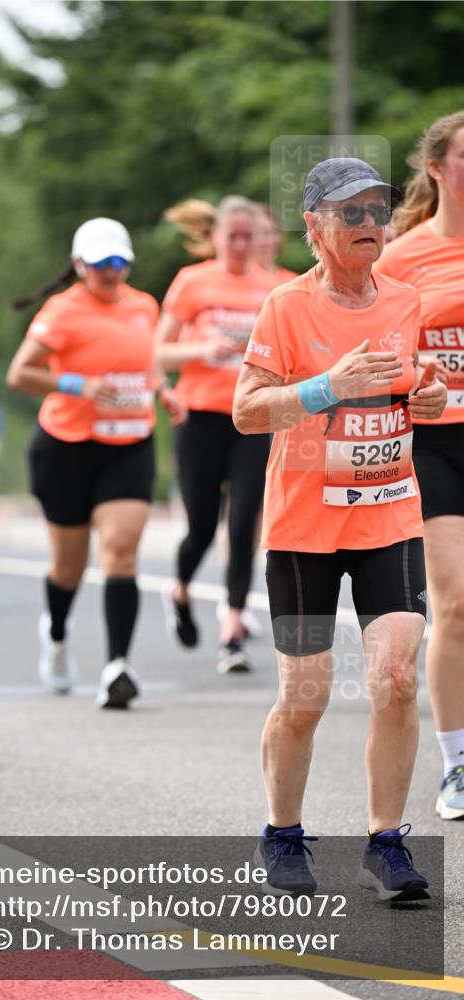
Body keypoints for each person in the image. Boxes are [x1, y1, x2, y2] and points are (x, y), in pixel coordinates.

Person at [233, 158, 447, 899]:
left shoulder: (403, 298)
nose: (367, 225)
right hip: (302, 533)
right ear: (313, 225)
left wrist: (429, 392)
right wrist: (328, 387)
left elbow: (415, 383)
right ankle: (282, 834)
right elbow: (245, 409)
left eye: (377, 211)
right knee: (306, 694)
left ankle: (385, 842)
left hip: (388, 514)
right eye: (349, 213)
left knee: (393, 677)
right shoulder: (284, 308)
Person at [6, 218, 183, 709]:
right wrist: (76, 385)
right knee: (69, 566)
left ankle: (117, 667)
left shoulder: (143, 305)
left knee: (121, 550)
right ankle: (57, 634)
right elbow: (19, 373)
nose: (112, 271)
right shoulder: (62, 312)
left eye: (120, 262)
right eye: (101, 263)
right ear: (80, 266)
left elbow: (147, 360)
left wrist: (164, 390)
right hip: (65, 447)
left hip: (129, 443)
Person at [375, 110, 464, 821]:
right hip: (434, 442)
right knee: (454, 602)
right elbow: (370, 349)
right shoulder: (400, 257)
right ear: (436, 167)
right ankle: (456, 764)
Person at [155, 197, 277, 674]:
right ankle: (180, 589)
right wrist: (202, 348)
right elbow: (158, 352)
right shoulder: (193, 282)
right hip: (199, 416)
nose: (242, 245)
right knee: (202, 527)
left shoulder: (271, 287)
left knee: (244, 524)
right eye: (233, 236)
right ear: (215, 237)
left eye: (250, 236)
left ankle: (232, 630)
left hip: (250, 417)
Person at [255, 205, 299, 284]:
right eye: (256, 233)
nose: (262, 241)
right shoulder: (234, 278)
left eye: (267, 233)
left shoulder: (293, 281)